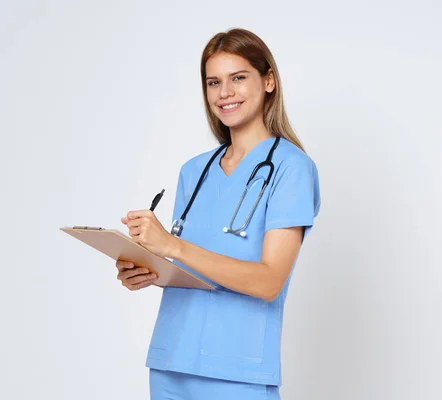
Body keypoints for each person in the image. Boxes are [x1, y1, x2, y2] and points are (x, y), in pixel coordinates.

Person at [114, 28, 320, 400]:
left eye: (238, 78)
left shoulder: (291, 168)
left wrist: (172, 246)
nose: (224, 93)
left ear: (269, 80)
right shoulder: (194, 171)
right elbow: (193, 271)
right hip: (170, 363)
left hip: (237, 370)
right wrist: (148, 269)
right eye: (213, 82)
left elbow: (268, 281)